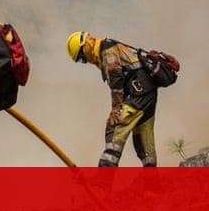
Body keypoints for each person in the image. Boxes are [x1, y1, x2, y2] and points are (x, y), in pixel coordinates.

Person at [66, 31, 159, 167]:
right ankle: (151, 183)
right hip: (147, 91)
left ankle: (103, 180)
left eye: (81, 57)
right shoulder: (106, 48)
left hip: (138, 91)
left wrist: (116, 108)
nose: (85, 61)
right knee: (143, 136)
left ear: (85, 45)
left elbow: (116, 79)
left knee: (115, 126)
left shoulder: (106, 49)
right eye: (80, 60)